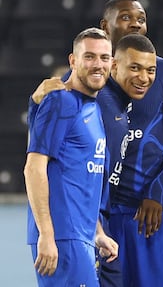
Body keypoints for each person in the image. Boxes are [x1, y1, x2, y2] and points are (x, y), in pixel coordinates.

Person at [100, 0, 163, 286]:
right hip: (103, 217)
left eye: (141, 18)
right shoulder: (91, 74)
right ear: (106, 26)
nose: (136, 24)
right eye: (126, 17)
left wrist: (156, 190)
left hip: (150, 214)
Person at [24, 27, 118, 286]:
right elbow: (33, 168)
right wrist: (46, 234)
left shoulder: (93, 108)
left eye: (104, 57)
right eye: (89, 57)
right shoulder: (61, 102)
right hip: (62, 238)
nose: (97, 64)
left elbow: (83, 177)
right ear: (73, 61)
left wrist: (98, 232)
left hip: (81, 237)